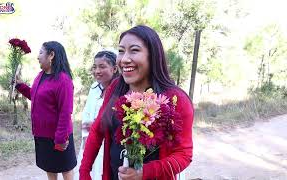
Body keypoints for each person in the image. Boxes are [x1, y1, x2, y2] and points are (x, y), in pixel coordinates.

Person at [79, 25, 194, 180]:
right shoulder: (115, 88)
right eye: (121, 51)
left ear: (153, 56)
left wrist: (144, 172)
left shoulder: (175, 99)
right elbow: (98, 130)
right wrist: (84, 172)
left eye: (134, 50)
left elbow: (184, 154)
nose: (124, 59)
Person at [15, 41, 76, 180]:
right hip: (42, 134)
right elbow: (35, 96)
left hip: (59, 136)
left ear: (51, 55)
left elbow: (65, 112)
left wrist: (60, 138)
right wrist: (20, 86)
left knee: (65, 169)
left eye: (41, 53)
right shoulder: (40, 76)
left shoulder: (63, 80)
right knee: (49, 167)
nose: (38, 57)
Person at [75, 50, 118, 179]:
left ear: (114, 68)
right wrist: (85, 137)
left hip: (108, 144)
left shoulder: (119, 90)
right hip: (91, 140)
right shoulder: (94, 88)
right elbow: (87, 114)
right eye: (95, 67)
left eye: (102, 66)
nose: (97, 71)